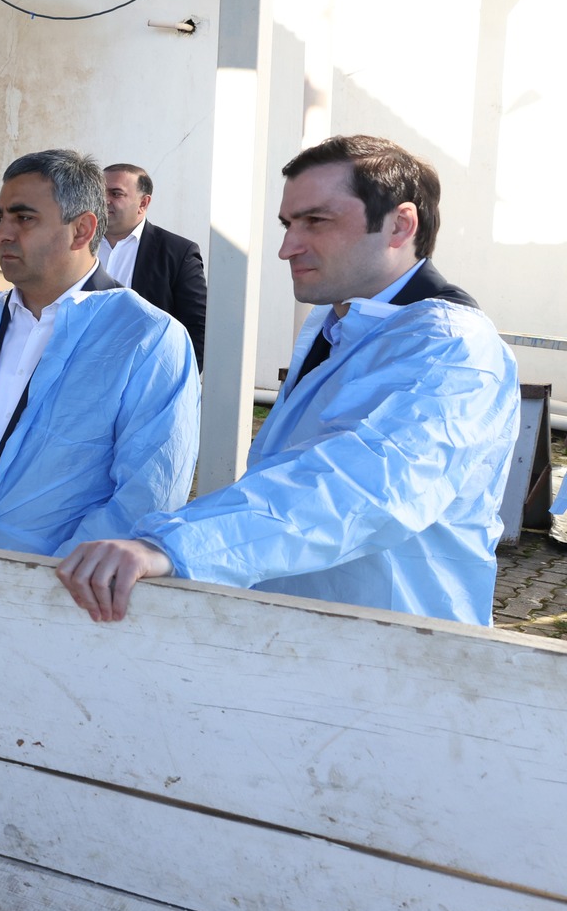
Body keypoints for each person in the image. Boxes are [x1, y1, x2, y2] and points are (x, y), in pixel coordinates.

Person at [59, 135, 519, 625]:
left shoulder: (456, 348)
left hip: (399, 636)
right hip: (310, 628)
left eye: (316, 221)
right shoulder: (337, 321)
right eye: (287, 224)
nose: (286, 248)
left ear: (400, 225)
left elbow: (363, 486)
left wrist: (173, 544)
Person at [0, 150, 199, 557]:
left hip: (62, 587)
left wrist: (45, 580)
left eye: (24, 218)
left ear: (82, 230)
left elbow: (147, 495)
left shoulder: (149, 340)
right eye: (0, 217)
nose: (3, 233)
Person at [101, 162, 208, 368]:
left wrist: (174, 377)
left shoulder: (178, 252)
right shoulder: (75, 244)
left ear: (143, 203)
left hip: (143, 375)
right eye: (99, 192)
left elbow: (197, 327)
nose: (104, 200)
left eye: (115, 193)